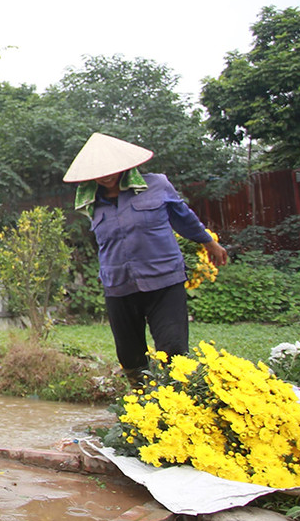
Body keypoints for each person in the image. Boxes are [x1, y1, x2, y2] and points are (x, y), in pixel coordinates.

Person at [63, 132, 228, 379]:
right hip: (118, 285)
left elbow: (183, 218)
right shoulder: (90, 202)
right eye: (98, 170)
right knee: (130, 356)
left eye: (110, 168)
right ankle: (141, 407)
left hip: (164, 279)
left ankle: (177, 405)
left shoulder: (157, 185)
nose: (105, 175)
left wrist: (208, 243)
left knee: (174, 349)